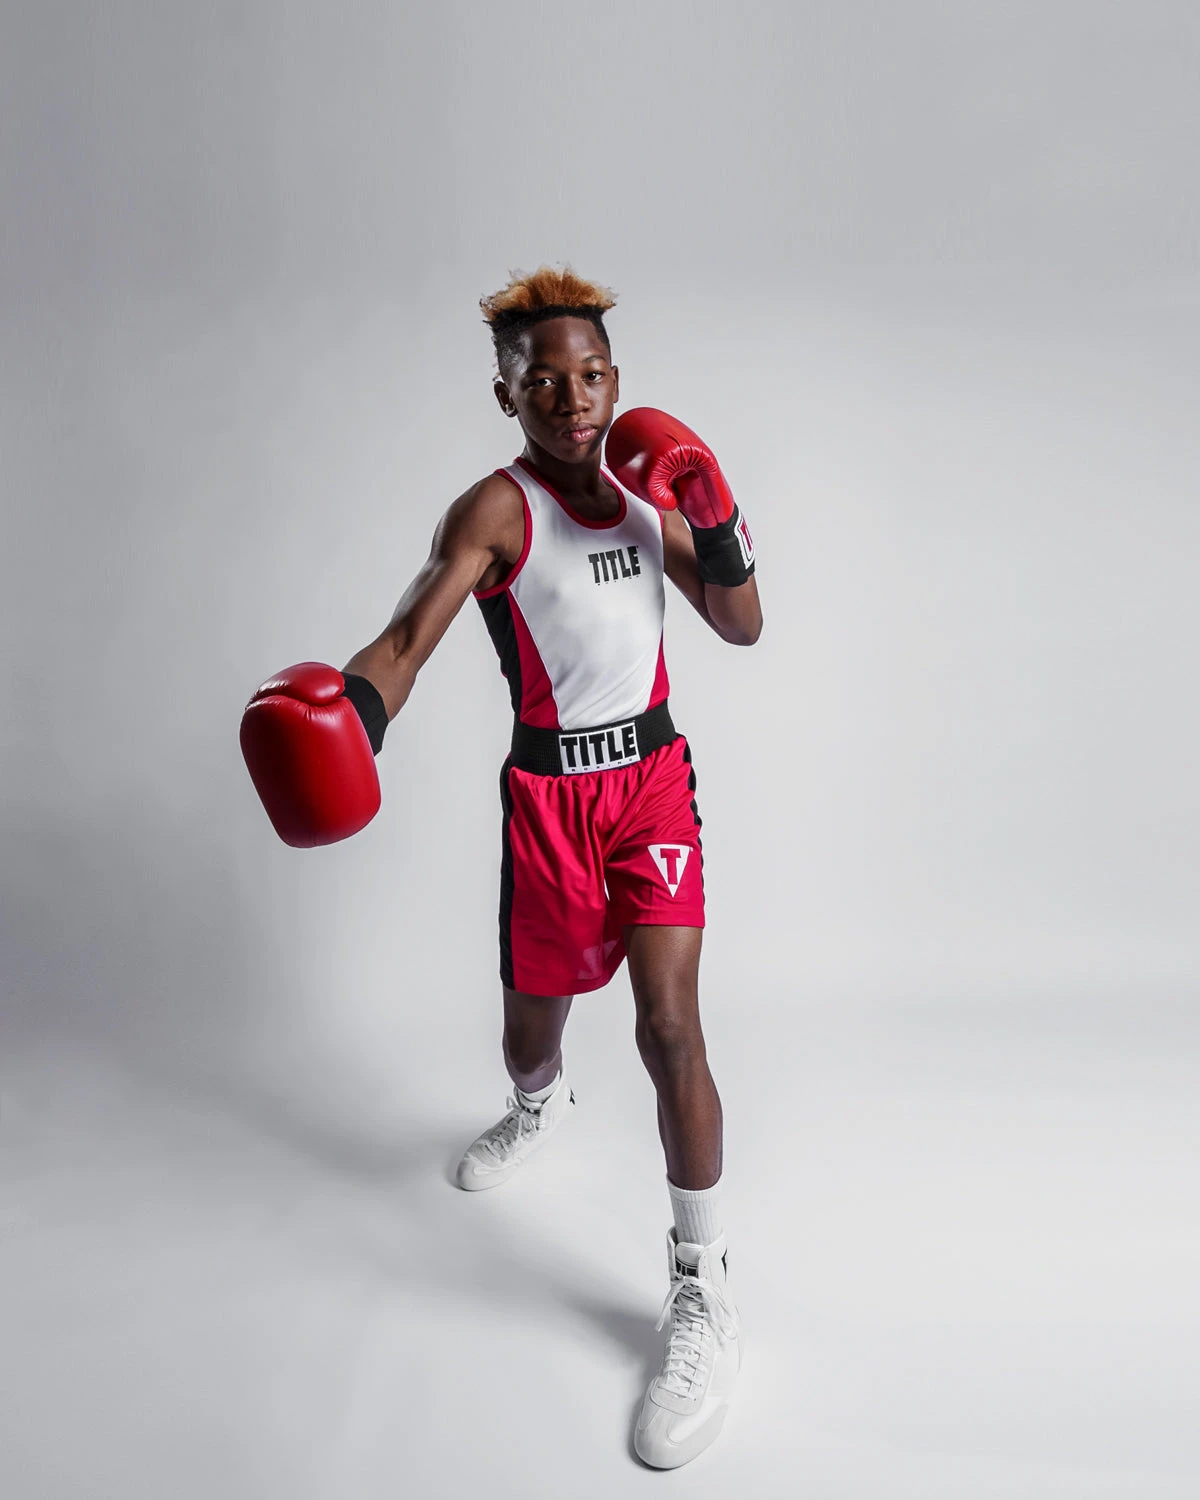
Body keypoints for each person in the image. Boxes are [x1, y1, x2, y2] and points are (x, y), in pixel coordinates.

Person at [240, 266, 762, 1468]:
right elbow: (407, 636)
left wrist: (718, 511)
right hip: (548, 801)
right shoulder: (495, 512)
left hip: (651, 786)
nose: (573, 402)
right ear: (507, 394)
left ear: (616, 382)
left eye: (591, 377)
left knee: (669, 1027)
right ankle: (537, 1103)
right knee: (533, 1029)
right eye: (544, 383)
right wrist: (350, 719)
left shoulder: (650, 491)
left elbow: (740, 624)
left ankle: (701, 1287)